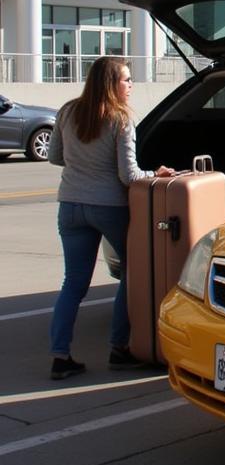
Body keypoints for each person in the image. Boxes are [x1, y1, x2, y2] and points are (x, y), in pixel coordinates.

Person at [48, 56, 173, 380]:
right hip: (109, 208)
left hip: (70, 205)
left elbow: (55, 157)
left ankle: (60, 356)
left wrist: (82, 166)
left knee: (73, 283)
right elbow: (129, 176)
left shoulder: (67, 111)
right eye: (126, 80)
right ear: (111, 83)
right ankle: (119, 348)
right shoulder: (120, 119)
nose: (131, 85)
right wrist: (155, 174)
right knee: (132, 273)